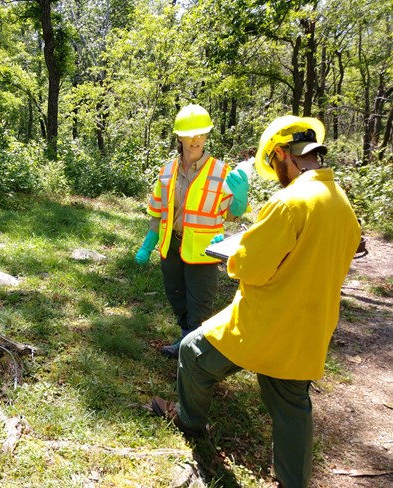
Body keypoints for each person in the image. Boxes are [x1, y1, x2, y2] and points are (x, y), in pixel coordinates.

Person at [150, 115, 361, 488]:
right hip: (310, 328)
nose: (275, 172)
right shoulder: (341, 202)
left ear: (282, 153)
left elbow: (252, 267)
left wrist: (236, 253)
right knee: (293, 405)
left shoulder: (290, 201)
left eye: (273, 163)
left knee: (192, 354)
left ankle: (190, 421)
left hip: (263, 323)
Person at [135, 104, 250, 358]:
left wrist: (240, 198)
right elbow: (158, 212)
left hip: (202, 249)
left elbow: (232, 213)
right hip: (171, 246)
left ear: (207, 135)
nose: (196, 139)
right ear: (179, 136)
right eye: (190, 134)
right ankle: (186, 340)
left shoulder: (221, 171)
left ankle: (193, 353)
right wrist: (147, 245)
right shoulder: (166, 171)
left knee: (199, 302)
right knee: (176, 296)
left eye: (201, 134)